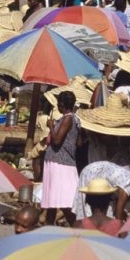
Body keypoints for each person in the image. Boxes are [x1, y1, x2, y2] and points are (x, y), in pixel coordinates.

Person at [41, 91, 80, 225]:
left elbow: (57, 141)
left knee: (65, 202)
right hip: (57, 162)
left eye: (58, 104)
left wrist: (51, 126)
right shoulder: (68, 118)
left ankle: (78, 230)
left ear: (62, 105)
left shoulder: (68, 118)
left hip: (61, 163)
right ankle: (49, 229)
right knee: (52, 202)